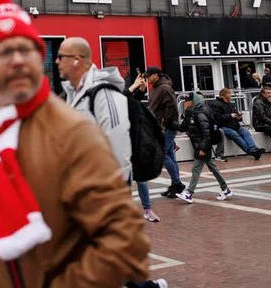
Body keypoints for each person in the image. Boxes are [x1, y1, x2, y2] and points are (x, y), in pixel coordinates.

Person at [0, 0, 149, 286]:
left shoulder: (72, 133)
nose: (18, 60)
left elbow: (125, 243)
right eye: (3, 51)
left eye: (27, 49)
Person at [59, 37, 159, 224]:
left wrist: (139, 90)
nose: (58, 63)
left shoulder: (102, 92)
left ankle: (145, 209)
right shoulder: (73, 95)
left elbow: (120, 105)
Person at [175, 92, 233, 203]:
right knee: (213, 168)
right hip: (200, 145)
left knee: (196, 169)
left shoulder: (200, 113)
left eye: (187, 100)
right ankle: (226, 189)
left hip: (203, 146)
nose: (185, 103)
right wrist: (170, 124)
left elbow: (206, 133)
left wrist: (202, 148)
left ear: (193, 101)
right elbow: (182, 128)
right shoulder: (191, 112)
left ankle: (189, 193)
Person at [146, 66, 184, 198]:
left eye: (148, 76)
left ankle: (177, 184)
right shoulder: (155, 89)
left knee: (162, 155)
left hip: (165, 128)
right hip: (160, 127)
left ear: (155, 75)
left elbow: (172, 107)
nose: (147, 78)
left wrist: (164, 123)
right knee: (169, 155)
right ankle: (176, 184)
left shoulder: (164, 88)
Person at [207, 89, 265, 159]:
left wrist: (239, 117)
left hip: (234, 125)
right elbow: (217, 117)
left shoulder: (229, 103)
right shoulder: (215, 104)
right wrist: (230, 115)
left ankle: (253, 149)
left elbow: (235, 113)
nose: (231, 96)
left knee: (246, 132)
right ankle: (252, 151)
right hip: (223, 126)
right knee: (235, 135)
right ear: (223, 95)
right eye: (229, 94)